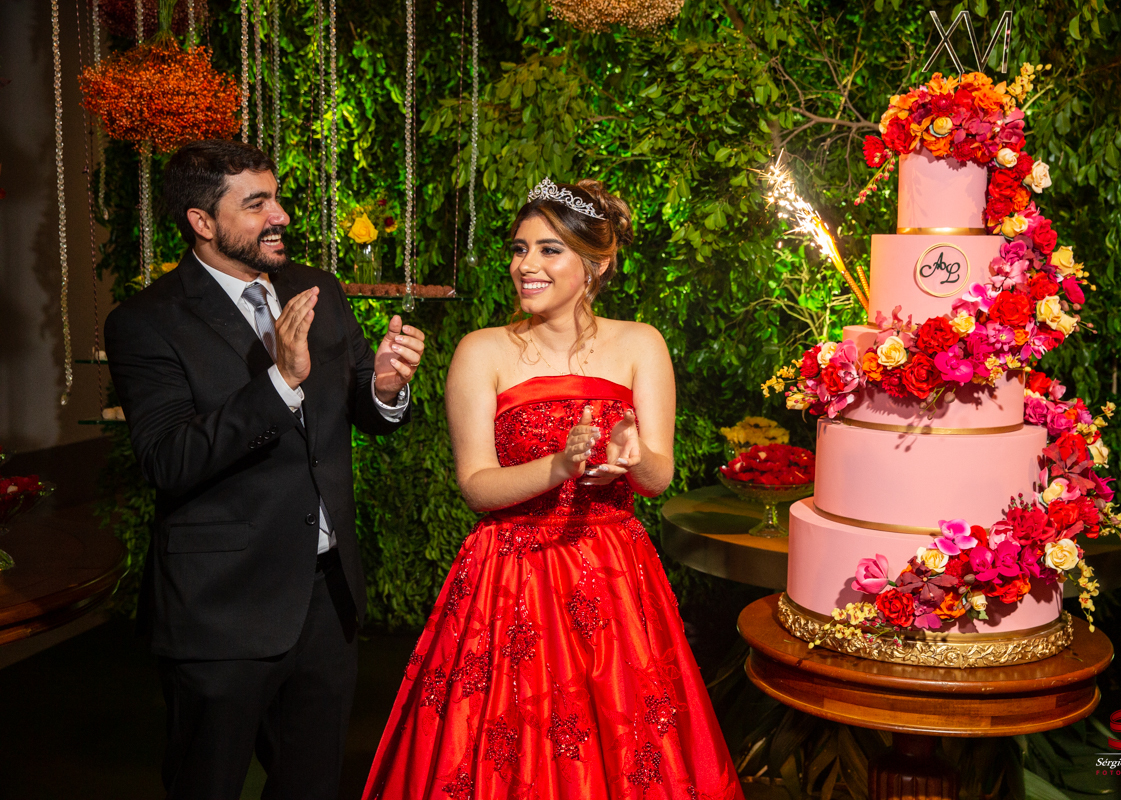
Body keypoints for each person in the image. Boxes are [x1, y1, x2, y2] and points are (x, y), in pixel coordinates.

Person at [361, 178, 743, 799]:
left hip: (613, 572)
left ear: (597, 264)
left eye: (548, 250)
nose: (526, 265)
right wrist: (560, 466)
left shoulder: (641, 343)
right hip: (510, 574)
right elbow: (477, 486)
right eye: (519, 249)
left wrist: (632, 455)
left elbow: (658, 478)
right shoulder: (481, 351)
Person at [104, 139, 426, 800]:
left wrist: (386, 387)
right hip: (222, 609)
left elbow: (362, 411)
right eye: (256, 204)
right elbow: (169, 459)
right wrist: (279, 381)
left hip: (327, 600)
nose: (279, 215)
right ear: (202, 221)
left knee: (311, 785)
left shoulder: (318, 289)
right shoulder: (146, 321)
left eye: (275, 198)